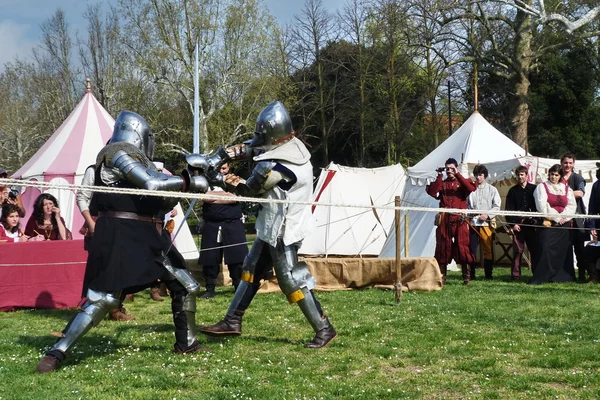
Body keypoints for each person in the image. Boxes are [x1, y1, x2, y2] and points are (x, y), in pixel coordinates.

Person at [35, 110, 213, 373]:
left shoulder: (141, 165)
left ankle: (186, 344)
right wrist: (187, 181)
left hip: (151, 238)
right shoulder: (116, 156)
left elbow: (162, 202)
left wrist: (192, 181)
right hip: (120, 234)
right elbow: (152, 185)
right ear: (139, 135)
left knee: (185, 286)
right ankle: (57, 351)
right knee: (104, 299)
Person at [199, 101, 337, 348]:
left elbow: (246, 189)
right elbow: (251, 148)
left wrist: (217, 177)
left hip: (285, 228)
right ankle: (232, 320)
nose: (258, 139)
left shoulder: (276, 165)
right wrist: (221, 155)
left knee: (291, 280)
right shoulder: (290, 146)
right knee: (250, 269)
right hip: (272, 224)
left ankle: (324, 328)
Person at [76, 163, 135, 321]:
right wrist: (90, 222)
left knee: (121, 267)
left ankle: (116, 308)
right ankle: (92, 309)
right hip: (99, 222)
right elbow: (82, 197)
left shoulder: (130, 170)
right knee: (99, 268)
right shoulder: (94, 171)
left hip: (123, 225)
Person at [198, 162, 247, 299]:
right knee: (209, 258)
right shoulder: (204, 181)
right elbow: (204, 197)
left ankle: (238, 286)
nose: (221, 170)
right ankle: (210, 289)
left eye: (224, 167)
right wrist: (224, 196)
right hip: (212, 224)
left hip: (232, 224)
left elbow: (234, 198)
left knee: (237, 258)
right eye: (219, 167)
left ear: (229, 167)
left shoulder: (236, 181)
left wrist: (215, 197)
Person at [426, 158, 477, 285]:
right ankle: (442, 277)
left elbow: (471, 188)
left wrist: (457, 174)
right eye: (447, 168)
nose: (449, 171)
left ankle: (466, 277)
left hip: (460, 220)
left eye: (452, 168)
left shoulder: (462, 183)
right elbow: (432, 192)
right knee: (443, 247)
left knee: (463, 247)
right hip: (445, 220)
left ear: (456, 168)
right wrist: (439, 175)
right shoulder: (442, 183)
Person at [529, 164, 576, 284]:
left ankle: (562, 277)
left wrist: (564, 218)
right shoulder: (542, 187)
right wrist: (556, 217)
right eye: (552, 174)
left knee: (563, 249)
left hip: (563, 225)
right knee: (545, 248)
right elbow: (542, 205)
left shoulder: (566, 188)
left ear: (560, 176)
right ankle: (544, 276)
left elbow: (572, 205)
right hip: (548, 223)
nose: (553, 177)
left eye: (556, 175)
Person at [505, 165, 539, 281]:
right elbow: (508, 210)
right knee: (517, 252)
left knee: (535, 251)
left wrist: (535, 221)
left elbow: (538, 207)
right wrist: (513, 224)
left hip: (531, 225)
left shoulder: (534, 189)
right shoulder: (512, 191)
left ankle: (537, 274)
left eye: (522, 174)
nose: (520, 177)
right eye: (518, 175)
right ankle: (515, 276)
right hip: (518, 226)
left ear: (526, 175)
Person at [467, 164, 501, 281]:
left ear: (485, 176)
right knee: (472, 249)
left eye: (480, 175)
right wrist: (469, 214)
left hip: (486, 224)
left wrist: (487, 215)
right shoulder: (470, 190)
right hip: (473, 223)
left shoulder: (492, 190)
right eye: (476, 175)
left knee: (487, 250)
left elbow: (497, 206)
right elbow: (466, 205)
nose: (478, 177)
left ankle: (488, 275)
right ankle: (471, 274)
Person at [560, 153, 589, 281]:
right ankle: (565, 276)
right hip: (560, 218)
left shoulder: (577, 178)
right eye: (565, 162)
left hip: (576, 219)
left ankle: (582, 276)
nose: (568, 165)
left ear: (573, 164)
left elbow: (580, 193)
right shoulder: (557, 175)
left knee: (579, 249)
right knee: (563, 249)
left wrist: (562, 193)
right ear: (561, 163)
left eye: (570, 163)